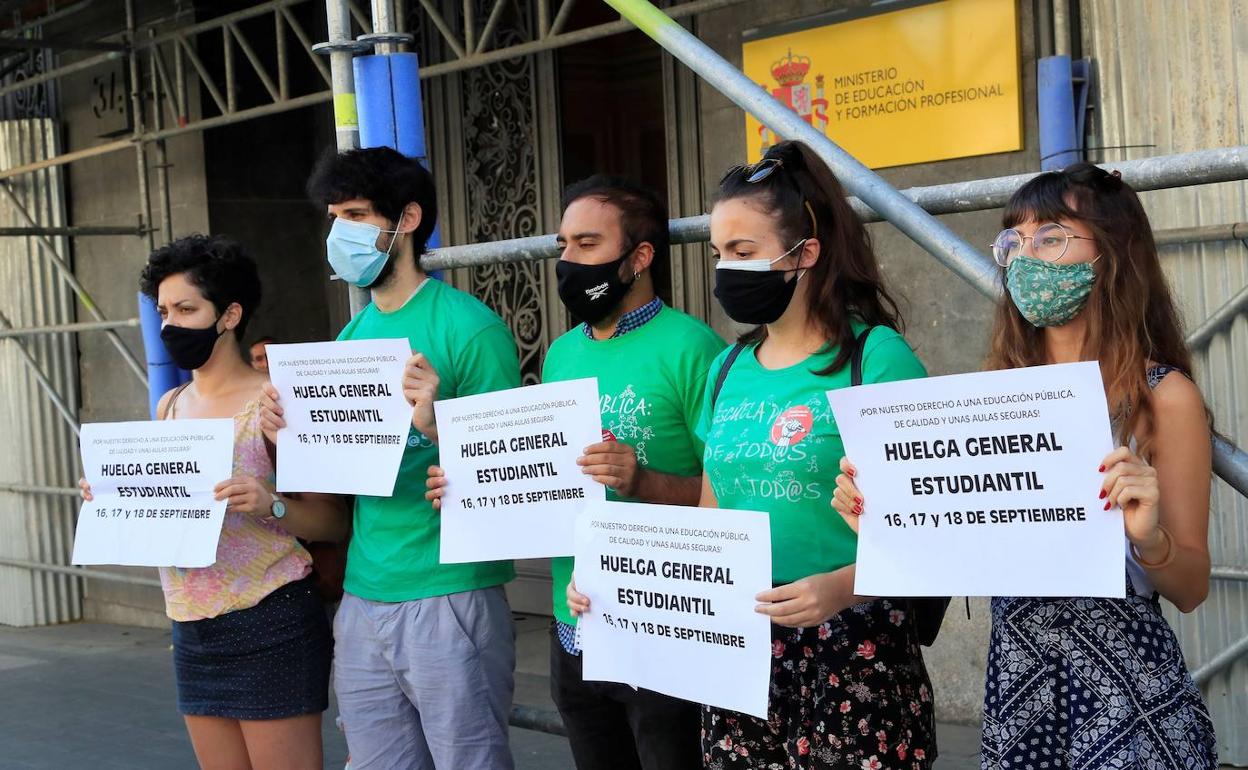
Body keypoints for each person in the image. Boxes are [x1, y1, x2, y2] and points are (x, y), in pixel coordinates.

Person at [833, 163, 1219, 769]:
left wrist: (1150, 539)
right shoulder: (996, 395)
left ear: (1113, 253)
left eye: (1052, 237)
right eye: (1013, 241)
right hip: (1019, 683)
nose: (1026, 256)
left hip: (1128, 691)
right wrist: (885, 526)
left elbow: (1192, 587)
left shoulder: (1163, 397)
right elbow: (958, 557)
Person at [428, 176, 725, 770]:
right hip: (573, 629)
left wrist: (642, 481)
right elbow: (538, 478)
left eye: (587, 244)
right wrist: (468, 486)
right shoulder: (562, 352)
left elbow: (729, 502)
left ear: (639, 258)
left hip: (666, 629)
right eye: (564, 244)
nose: (567, 260)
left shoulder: (695, 349)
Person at [260, 146, 523, 770]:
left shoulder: (469, 327)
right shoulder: (349, 339)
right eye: (333, 217)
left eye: (354, 214)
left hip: (449, 591)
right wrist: (285, 435)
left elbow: (515, 469)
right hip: (362, 592)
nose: (338, 233)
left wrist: (436, 425)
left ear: (406, 220)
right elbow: (333, 480)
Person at [685, 140, 936, 769]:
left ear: (807, 253)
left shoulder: (875, 359)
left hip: (854, 655)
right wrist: (616, 583)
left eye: (743, 252)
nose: (726, 270)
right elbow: (711, 520)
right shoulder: (726, 367)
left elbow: (931, 527)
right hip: (741, 652)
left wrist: (845, 589)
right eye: (719, 254)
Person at [81, 234, 348, 770]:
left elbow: (335, 523)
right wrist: (111, 496)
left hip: (270, 619)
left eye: (186, 309)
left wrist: (269, 503)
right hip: (190, 624)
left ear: (229, 315)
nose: (169, 324)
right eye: (163, 310)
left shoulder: (275, 402)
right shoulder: (171, 404)